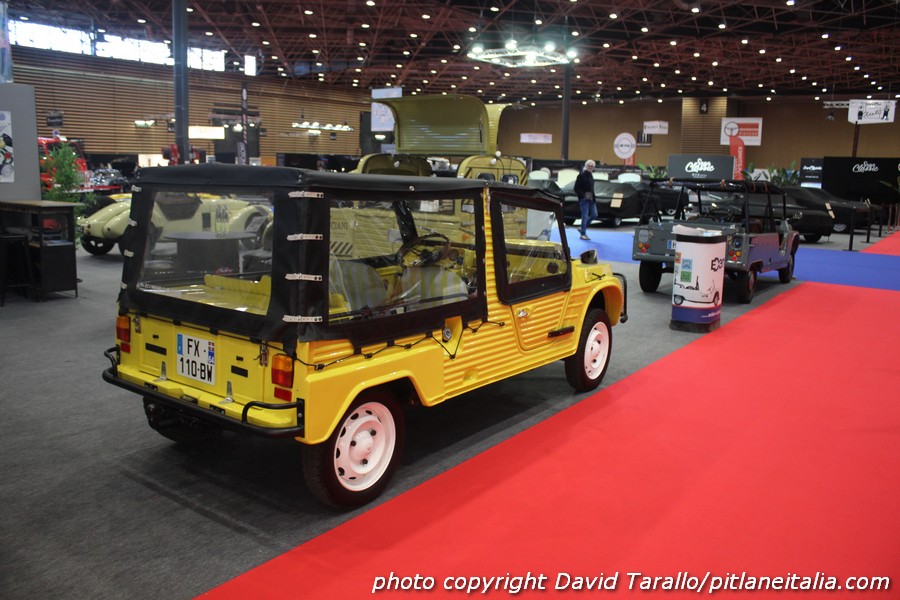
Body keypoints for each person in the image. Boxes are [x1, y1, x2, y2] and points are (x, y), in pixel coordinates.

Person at [574, 159, 597, 240]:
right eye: (589, 166)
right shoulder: (581, 176)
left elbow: (591, 188)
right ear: (586, 166)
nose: (590, 167)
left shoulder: (591, 176)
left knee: (594, 215)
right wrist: (583, 196)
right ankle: (583, 234)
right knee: (585, 215)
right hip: (584, 199)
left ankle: (582, 227)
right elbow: (576, 188)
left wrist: (593, 198)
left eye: (592, 166)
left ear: (593, 167)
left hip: (591, 198)